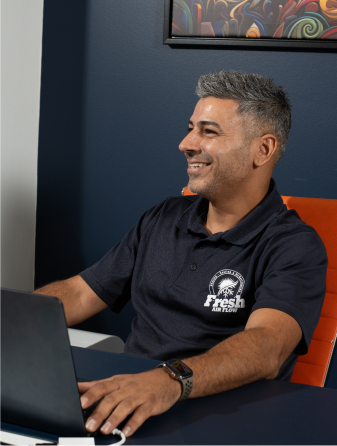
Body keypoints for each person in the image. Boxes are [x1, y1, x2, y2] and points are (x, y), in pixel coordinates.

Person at [35, 71, 327, 438]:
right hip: (128, 402)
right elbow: (80, 293)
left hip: (223, 418)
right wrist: (13, 321)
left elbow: (267, 347)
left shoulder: (295, 245)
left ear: (262, 149)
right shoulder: (163, 217)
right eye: (191, 128)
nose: (185, 143)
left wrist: (168, 381)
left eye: (208, 131)